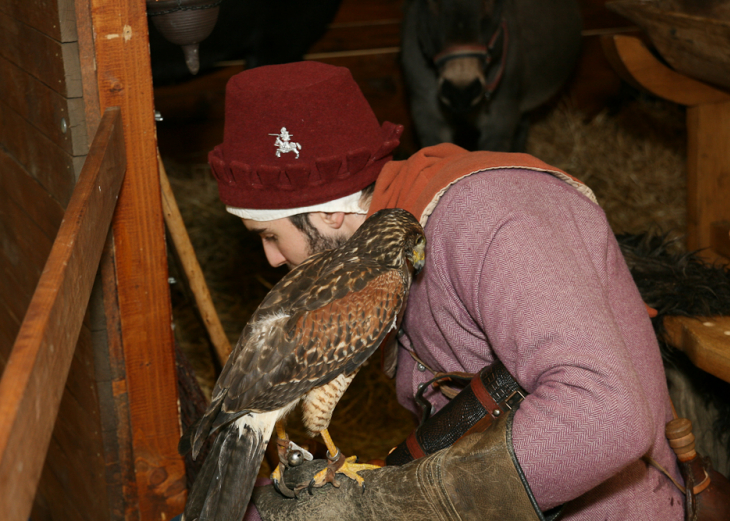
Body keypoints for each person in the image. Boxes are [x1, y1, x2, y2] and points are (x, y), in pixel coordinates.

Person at [204, 60, 685, 520]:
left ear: (329, 213)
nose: (270, 259)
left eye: (269, 236)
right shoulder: (377, 260)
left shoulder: (491, 215)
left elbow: (605, 417)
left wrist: (385, 507)